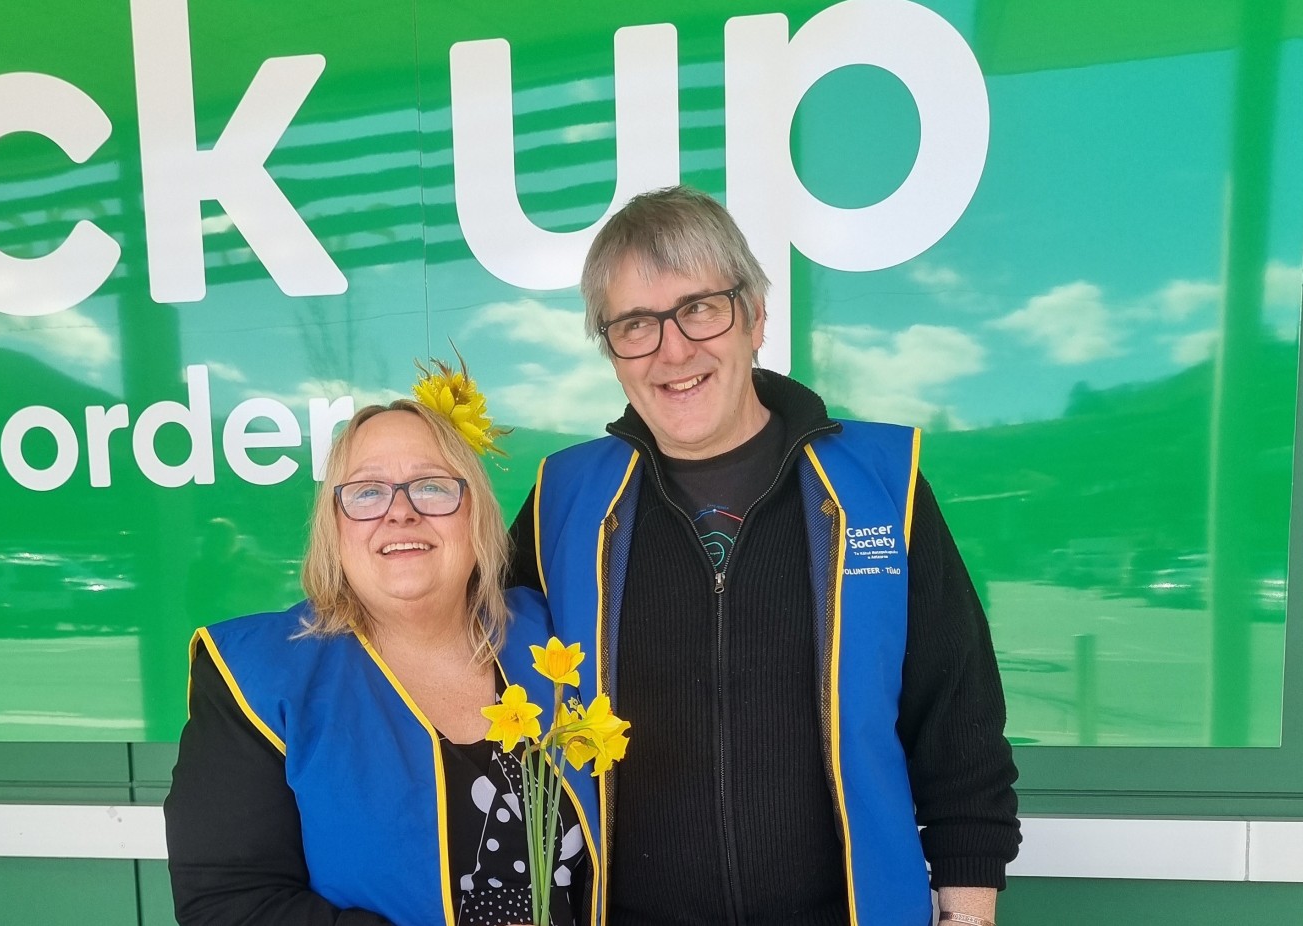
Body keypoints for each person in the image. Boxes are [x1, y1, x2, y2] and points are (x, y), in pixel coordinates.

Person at [509, 186, 1021, 926]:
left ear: (754, 317)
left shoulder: (880, 486)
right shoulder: (563, 499)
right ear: (611, 351)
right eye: (634, 325)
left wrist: (968, 913)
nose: (672, 348)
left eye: (699, 308)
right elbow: (460, 664)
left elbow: (958, 718)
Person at [165, 398, 595, 926]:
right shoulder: (257, 678)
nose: (400, 511)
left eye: (432, 486)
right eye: (367, 492)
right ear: (335, 527)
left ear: (476, 513)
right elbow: (230, 905)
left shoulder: (561, 641)